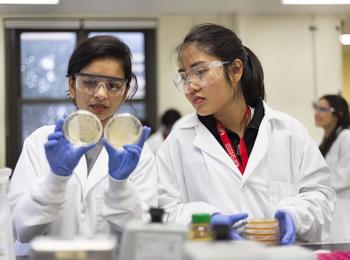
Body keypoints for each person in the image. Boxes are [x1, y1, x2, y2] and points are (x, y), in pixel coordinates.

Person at [157, 23, 335, 244]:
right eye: (184, 77)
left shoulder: (288, 131)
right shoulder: (179, 139)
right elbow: (164, 209)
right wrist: (207, 220)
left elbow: (321, 195)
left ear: (236, 70)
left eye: (200, 72)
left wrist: (295, 215)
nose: (190, 87)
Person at [8, 35, 157, 256]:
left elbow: (142, 236)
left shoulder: (138, 154)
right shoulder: (41, 142)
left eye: (113, 85)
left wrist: (119, 186)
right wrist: (55, 179)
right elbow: (22, 228)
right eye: (89, 82)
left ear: (125, 92)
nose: (100, 94)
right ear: (72, 84)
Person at [314, 94, 350, 243]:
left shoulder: (346, 137)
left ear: (337, 114)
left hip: (343, 212)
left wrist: (315, 187)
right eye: (316, 108)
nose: (317, 113)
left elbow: (345, 177)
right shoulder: (323, 142)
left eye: (323, 109)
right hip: (328, 211)